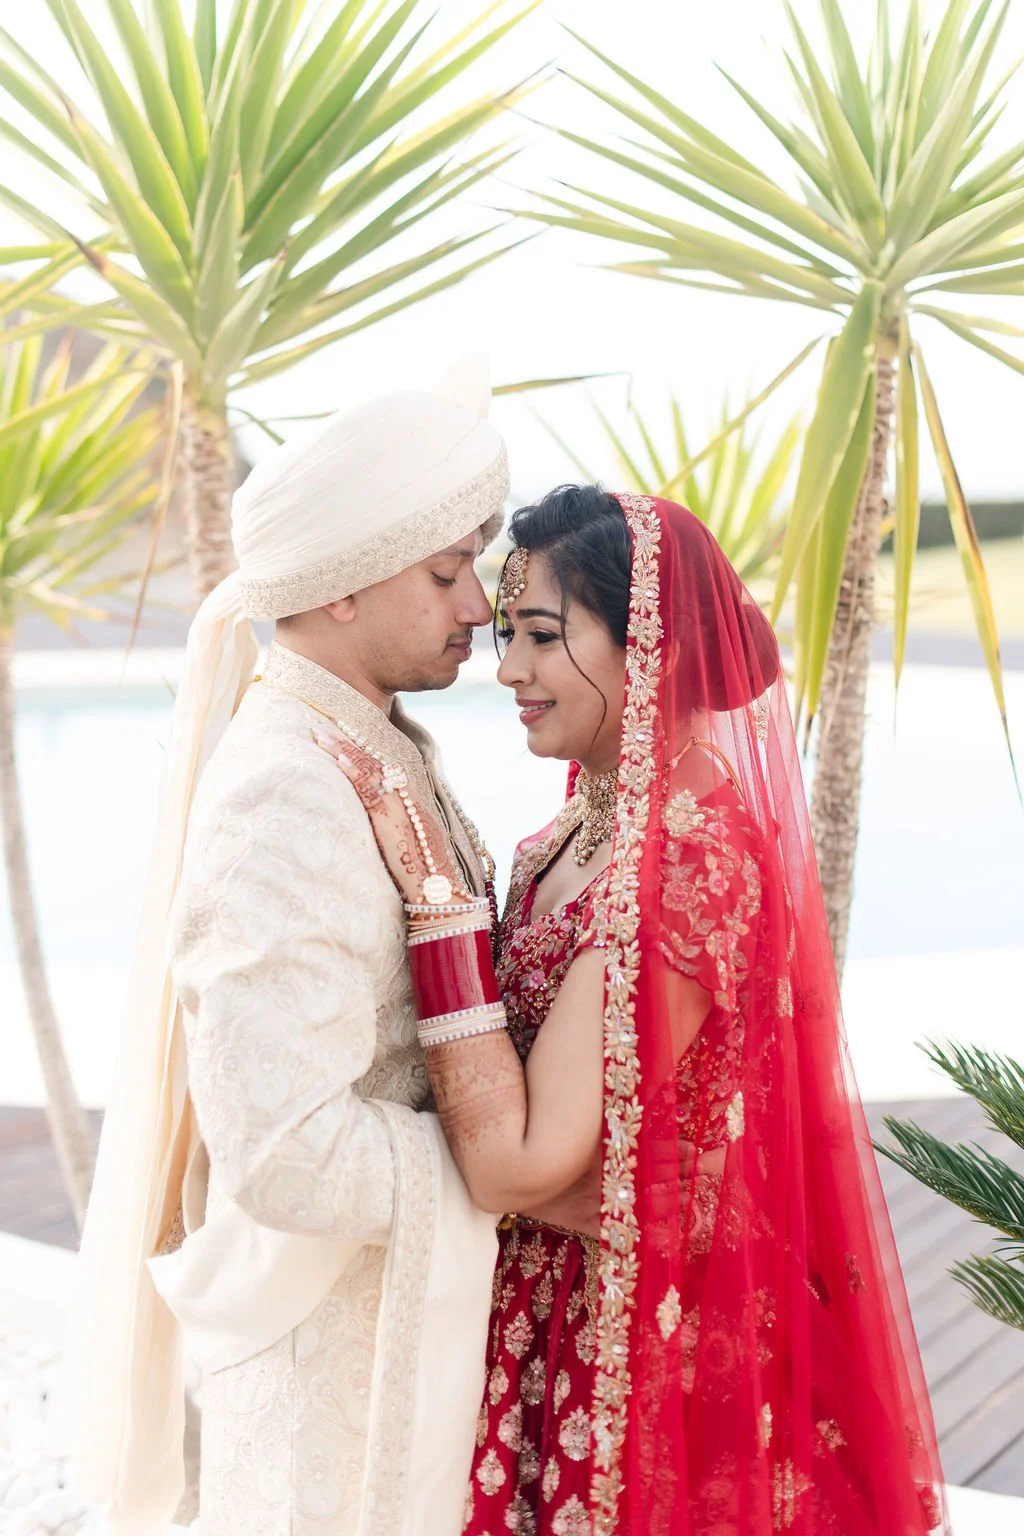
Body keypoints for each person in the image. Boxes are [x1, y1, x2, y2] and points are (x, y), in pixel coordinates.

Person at [320, 486, 948, 1535]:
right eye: (510, 635)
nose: (508, 669)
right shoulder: (577, 828)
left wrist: (436, 903)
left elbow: (518, 1164)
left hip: (646, 1341)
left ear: (651, 645)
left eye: (542, 636)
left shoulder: (688, 857)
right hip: (550, 1308)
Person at [58, 363, 517, 1536]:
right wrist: (518, 1175)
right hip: (335, 1392)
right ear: (342, 585)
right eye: (447, 572)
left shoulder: (366, 742)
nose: (479, 607)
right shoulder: (288, 789)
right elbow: (284, 1156)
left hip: (386, 1341)